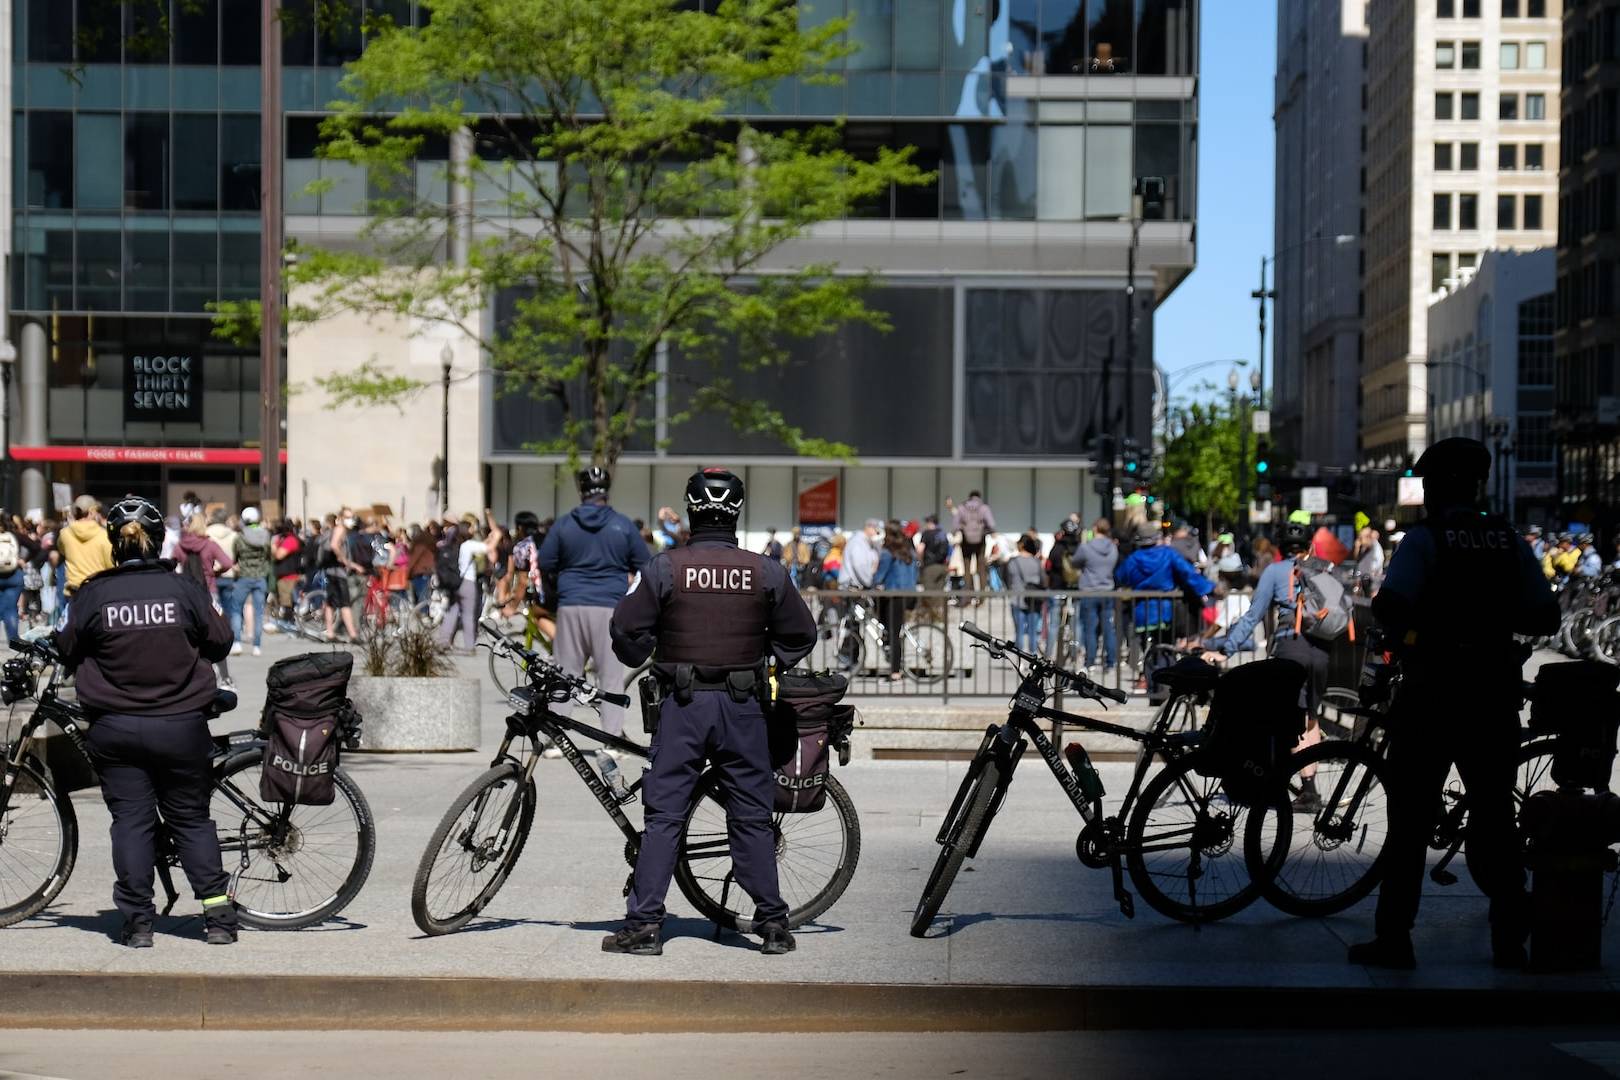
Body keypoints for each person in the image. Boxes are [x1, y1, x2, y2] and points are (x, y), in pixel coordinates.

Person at [1347, 437, 1558, 970]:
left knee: (1410, 821)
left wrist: (1423, 625)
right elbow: (1546, 616)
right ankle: (1510, 939)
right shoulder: (1508, 540)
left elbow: (1391, 607)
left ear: (1437, 488)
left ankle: (1395, 939)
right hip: (1492, 695)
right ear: (1479, 484)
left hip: (1432, 695)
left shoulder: (1425, 540)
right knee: (1494, 817)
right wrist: (1492, 620)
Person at [607, 468, 817, 956]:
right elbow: (801, 634)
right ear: (737, 511)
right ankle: (772, 925)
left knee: (665, 816)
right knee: (750, 814)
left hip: (681, 706)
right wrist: (767, 658)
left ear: (689, 508)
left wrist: (645, 653)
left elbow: (625, 627)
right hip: (744, 708)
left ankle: (643, 928)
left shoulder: (666, 568)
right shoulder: (764, 570)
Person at [57, 495, 238, 947]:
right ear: (157, 543)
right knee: (191, 820)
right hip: (180, 725)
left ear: (115, 545)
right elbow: (219, 643)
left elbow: (67, 649)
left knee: (132, 823)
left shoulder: (94, 593)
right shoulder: (184, 589)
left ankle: (139, 924)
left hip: (115, 730)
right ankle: (218, 920)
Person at [1202, 522, 1333, 805]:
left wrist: (1227, 649)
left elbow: (1253, 615)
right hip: (1322, 651)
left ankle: (1302, 789)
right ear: (1309, 546)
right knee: (1311, 717)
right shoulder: (1324, 567)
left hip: (1291, 648)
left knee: (1291, 718)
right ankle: (1309, 786)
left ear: (1281, 548)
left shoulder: (1275, 571)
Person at [538, 467, 648, 740]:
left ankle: (556, 738)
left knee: (565, 673)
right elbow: (645, 564)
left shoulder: (564, 524)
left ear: (581, 492)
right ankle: (610, 738)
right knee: (610, 676)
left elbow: (545, 561)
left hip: (571, 603)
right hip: (610, 605)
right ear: (607, 492)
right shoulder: (622, 525)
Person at [1115, 523, 1214, 647]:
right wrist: (1209, 587)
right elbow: (1188, 573)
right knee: (1166, 647)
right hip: (1166, 611)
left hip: (1142, 612)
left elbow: (1120, 576)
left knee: (1145, 648)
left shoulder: (1133, 559)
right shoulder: (1168, 554)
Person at [874, 519, 920, 681]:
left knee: (893, 634)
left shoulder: (888, 552)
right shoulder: (909, 550)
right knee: (895, 631)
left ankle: (895, 672)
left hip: (894, 595)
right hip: (909, 594)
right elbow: (916, 573)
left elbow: (880, 576)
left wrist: (872, 582)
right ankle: (895, 666)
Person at [1072, 518, 1119, 672]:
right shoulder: (1113, 548)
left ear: (1095, 529)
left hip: (1089, 590)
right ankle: (1111, 661)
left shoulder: (1086, 547)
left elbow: (1074, 563)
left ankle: (1090, 661)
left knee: (1090, 628)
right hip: (1107, 590)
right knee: (1108, 627)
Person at [58, 495, 115, 602]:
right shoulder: (104, 536)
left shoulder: (65, 534)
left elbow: (62, 550)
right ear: (92, 512)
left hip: (73, 592)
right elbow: (111, 566)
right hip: (97, 591)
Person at [232, 507, 272, 656]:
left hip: (244, 576)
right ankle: (257, 646)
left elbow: (235, 556)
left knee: (236, 609)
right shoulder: (265, 535)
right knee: (259, 612)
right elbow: (269, 555)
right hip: (260, 576)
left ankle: (237, 643)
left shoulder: (240, 536)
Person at [322, 511, 365, 643]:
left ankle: (330, 633)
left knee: (330, 603)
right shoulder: (340, 529)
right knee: (345, 603)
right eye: (347, 517)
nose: (350, 519)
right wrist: (346, 561)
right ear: (340, 518)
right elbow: (334, 545)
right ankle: (353, 635)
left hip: (330, 570)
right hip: (338, 572)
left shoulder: (333, 529)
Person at [947, 491, 996, 595]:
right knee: (981, 568)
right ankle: (982, 596)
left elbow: (955, 526)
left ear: (969, 497)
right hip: (981, 541)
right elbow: (991, 524)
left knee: (967, 568)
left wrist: (962, 530)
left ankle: (967, 595)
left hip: (966, 541)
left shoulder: (962, 507)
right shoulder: (984, 508)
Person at [1004, 534, 1045, 656]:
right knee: (1033, 631)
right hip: (1033, 599)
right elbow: (1043, 580)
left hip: (1017, 599)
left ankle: (1020, 658)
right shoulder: (1036, 562)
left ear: (1021, 545)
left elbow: (1008, 579)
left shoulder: (1013, 562)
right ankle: (1033, 656)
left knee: (1019, 631)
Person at [838, 519, 882, 591]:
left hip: (857, 587)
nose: (876, 534)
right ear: (869, 527)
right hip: (852, 588)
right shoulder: (857, 542)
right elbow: (859, 565)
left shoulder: (866, 543)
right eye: (876, 531)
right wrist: (869, 582)